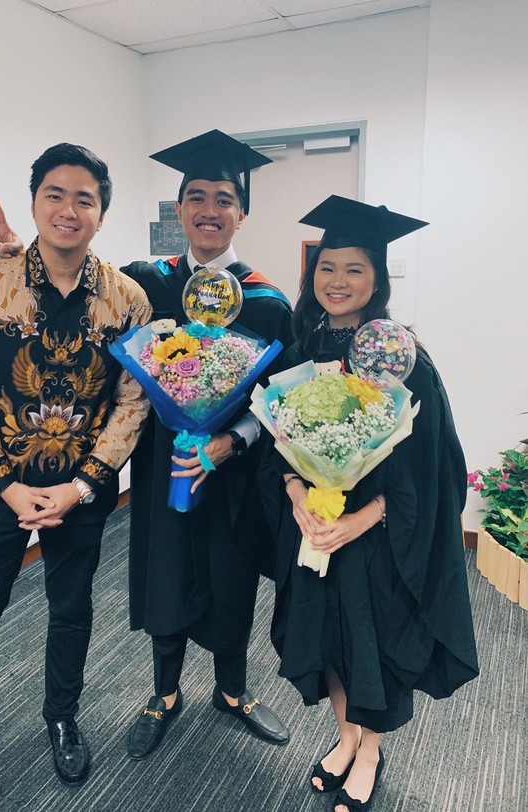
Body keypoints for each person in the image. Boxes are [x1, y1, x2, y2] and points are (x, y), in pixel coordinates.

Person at [0, 130, 293, 761]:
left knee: (231, 578)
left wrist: (230, 441)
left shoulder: (268, 302)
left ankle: (233, 690)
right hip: (159, 464)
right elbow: (76, 284)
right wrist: (20, 254)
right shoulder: (148, 282)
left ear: (241, 213)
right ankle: (164, 693)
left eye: (224, 198)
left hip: (230, 472)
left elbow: (277, 400)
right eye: (195, 196)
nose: (209, 209)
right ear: (179, 212)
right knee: (165, 573)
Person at [0, 143, 152, 806]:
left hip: (83, 490)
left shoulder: (127, 300)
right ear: (33, 203)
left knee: (72, 611)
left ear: (102, 213)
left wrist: (81, 485)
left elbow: (132, 403)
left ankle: (62, 717)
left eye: (84, 198)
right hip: (1, 486)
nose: (68, 209)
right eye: (54, 194)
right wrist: (7, 482)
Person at [260, 196, 479, 812]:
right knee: (326, 638)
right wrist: (301, 498)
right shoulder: (303, 351)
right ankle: (345, 736)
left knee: (373, 641)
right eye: (327, 267)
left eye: (354, 269)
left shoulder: (405, 359)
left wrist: (361, 518)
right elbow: (278, 450)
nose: (338, 281)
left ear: (377, 279)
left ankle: (371, 750)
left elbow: (429, 471)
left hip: (378, 538)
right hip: (317, 532)